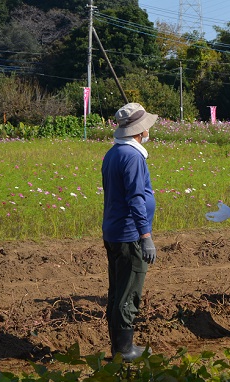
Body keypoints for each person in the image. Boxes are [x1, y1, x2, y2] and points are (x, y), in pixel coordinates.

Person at [102, 102, 158, 361]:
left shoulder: (113, 153)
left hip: (113, 230)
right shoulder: (132, 157)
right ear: (139, 131)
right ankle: (124, 349)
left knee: (117, 291)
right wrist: (145, 236)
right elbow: (135, 198)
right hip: (129, 234)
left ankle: (118, 346)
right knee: (128, 293)